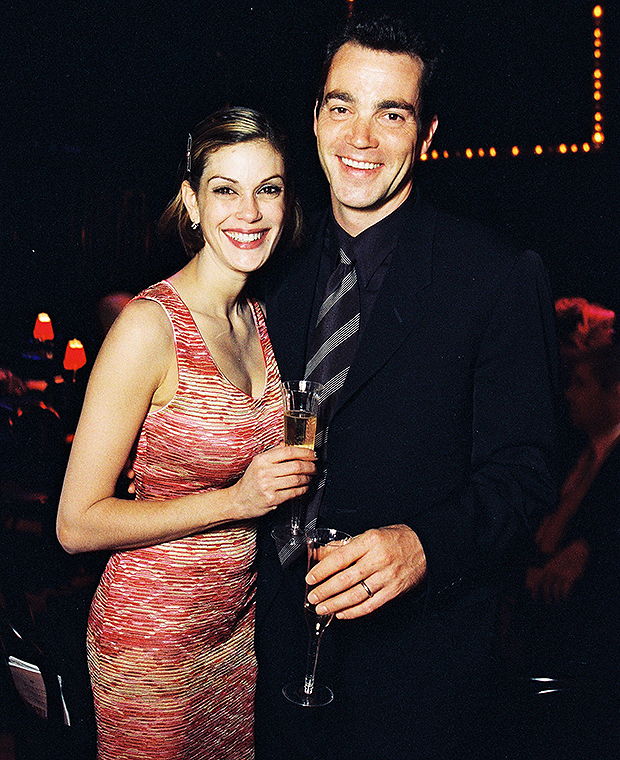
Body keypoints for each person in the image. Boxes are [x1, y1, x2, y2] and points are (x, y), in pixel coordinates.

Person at [254, 15, 557, 760]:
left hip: (417, 687)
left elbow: (527, 474)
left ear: (427, 134)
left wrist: (424, 546)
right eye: (342, 107)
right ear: (315, 118)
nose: (360, 138)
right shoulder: (268, 270)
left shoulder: (495, 276)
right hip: (265, 668)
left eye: (392, 114)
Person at [56, 107, 316, 760]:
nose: (249, 212)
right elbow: (75, 524)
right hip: (152, 642)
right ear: (192, 204)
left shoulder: (260, 318)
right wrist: (236, 501)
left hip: (235, 638)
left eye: (268, 189)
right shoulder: (150, 327)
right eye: (225, 189)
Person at [525, 344, 620, 672]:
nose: (569, 395)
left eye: (580, 384)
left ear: (615, 393)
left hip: (585, 635)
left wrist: (587, 550)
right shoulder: (577, 452)